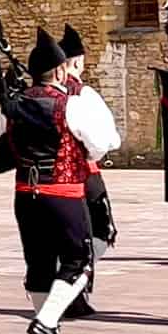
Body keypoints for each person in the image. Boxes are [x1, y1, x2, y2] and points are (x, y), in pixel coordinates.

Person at [3, 29, 121, 334]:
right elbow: (99, 144)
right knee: (78, 261)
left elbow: (1, 141)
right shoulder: (70, 105)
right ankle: (46, 319)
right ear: (59, 71)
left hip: (25, 193)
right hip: (63, 192)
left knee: (39, 263)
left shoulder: (12, 105)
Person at [59, 24, 117, 318]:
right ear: (78, 62)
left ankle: (71, 291)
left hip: (51, 178)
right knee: (101, 232)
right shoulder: (85, 94)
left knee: (67, 238)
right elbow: (108, 139)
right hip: (86, 173)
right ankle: (74, 289)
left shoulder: (36, 93)